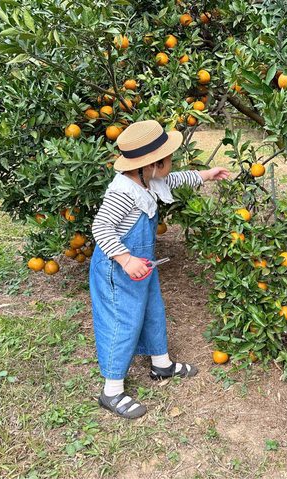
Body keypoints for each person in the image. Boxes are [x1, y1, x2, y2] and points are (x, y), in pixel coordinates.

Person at [90, 120, 230, 419]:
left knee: (153, 311)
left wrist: (206, 175)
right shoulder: (123, 192)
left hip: (142, 266)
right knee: (122, 321)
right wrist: (125, 259)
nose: (172, 162)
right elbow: (101, 227)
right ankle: (111, 391)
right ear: (152, 163)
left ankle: (161, 364)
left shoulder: (147, 180)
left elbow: (174, 179)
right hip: (117, 270)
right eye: (168, 158)